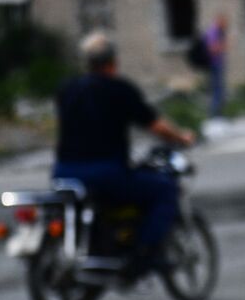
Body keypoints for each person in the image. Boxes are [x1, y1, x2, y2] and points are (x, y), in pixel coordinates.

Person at [53, 32, 196, 278]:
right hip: (105, 174)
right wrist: (182, 137)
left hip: (63, 172)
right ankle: (143, 253)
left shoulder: (67, 89)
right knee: (165, 190)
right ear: (113, 62)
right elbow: (155, 126)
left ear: (87, 63)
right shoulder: (118, 89)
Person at [203, 13, 229, 118]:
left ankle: (218, 113)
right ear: (219, 21)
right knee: (216, 90)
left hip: (218, 63)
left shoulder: (219, 32)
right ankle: (214, 114)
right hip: (214, 64)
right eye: (224, 23)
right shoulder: (213, 32)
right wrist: (222, 46)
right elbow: (211, 48)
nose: (225, 25)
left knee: (219, 89)